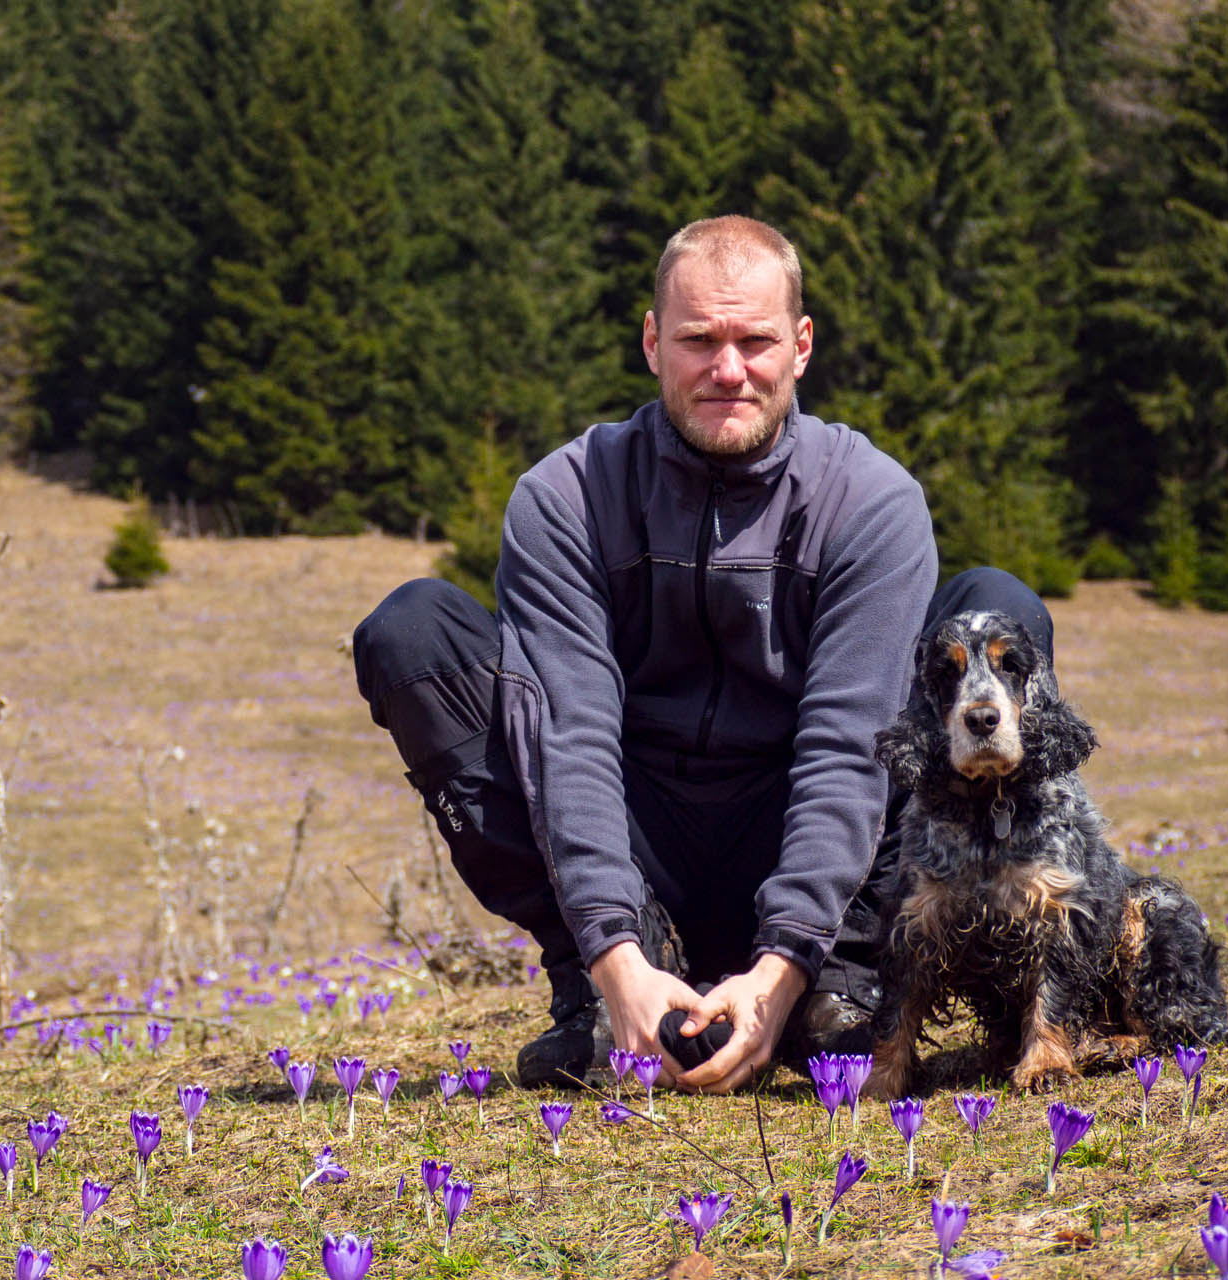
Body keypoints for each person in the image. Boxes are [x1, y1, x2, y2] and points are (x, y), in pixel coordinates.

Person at [352, 216, 1053, 1094]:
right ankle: (603, 996)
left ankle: (844, 984)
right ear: (653, 342)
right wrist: (615, 952)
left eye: (754, 340)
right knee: (413, 632)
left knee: (996, 612)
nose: (728, 370)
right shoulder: (565, 497)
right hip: (634, 837)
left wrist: (785, 962)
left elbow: (850, 745)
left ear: (800, 346)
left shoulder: (870, 501)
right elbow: (567, 735)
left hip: (809, 835)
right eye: (698, 340)